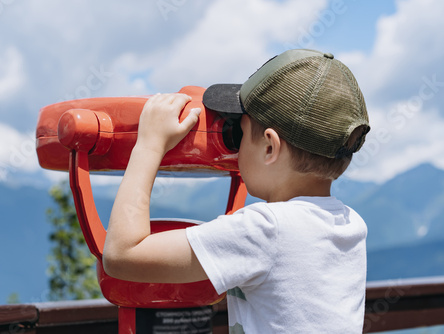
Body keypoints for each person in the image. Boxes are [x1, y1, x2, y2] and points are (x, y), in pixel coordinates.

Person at [102, 49, 370, 333]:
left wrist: (149, 145)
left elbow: (122, 255)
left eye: (240, 134)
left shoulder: (266, 229)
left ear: (270, 147)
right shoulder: (352, 224)